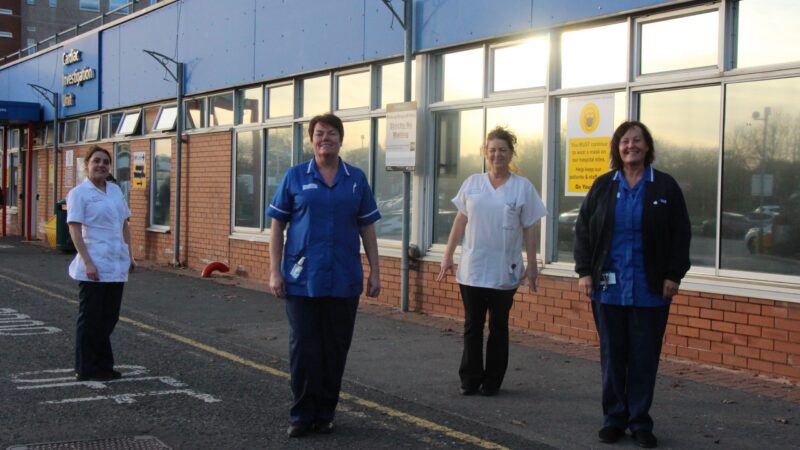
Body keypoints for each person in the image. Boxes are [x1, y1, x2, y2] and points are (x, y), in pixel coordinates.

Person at [574, 121, 691, 448]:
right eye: (625, 141)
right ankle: (614, 418)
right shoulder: (602, 186)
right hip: (608, 289)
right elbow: (583, 230)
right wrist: (584, 272)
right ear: (617, 147)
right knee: (613, 356)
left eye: (637, 141)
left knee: (643, 357)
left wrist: (673, 274)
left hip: (650, 290)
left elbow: (681, 234)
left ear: (647, 146)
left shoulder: (664, 187)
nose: (631, 146)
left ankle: (640, 421)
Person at [268, 113, 381, 438]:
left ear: (340, 139)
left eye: (331, 133)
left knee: (335, 349)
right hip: (302, 281)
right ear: (311, 139)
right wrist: (275, 271)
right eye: (319, 134)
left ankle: (326, 412)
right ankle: (302, 415)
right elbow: (278, 227)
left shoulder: (356, 179)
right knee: (303, 349)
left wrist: (375, 270)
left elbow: (367, 228)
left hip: (343, 280)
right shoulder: (294, 176)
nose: (324, 139)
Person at [437, 126, 547, 397]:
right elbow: (460, 220)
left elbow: (530, 228)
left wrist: (532, 266)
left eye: (503, 150)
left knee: (499, 326)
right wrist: (447, 255)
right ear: (485, 153)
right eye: (492, 150)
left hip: (504, 269)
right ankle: (470, 379)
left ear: (511, 153)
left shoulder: (522, 187)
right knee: (472, 325)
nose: (497, 155)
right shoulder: (473, 183)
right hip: (473, 268)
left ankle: (492, 381)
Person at [67, 145, 136, 382]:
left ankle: (104, 365)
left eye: (105, 162)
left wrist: (130, 255)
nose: (101, 165)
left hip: (116, 262)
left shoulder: (115, 190)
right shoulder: (79, 193)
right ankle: (86, 367)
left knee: (109, 317)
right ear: (87, 165)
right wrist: (88, 262)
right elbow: (74, 229)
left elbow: (124, 224)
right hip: (93, 263)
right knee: (90, 317)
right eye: (96, 161)